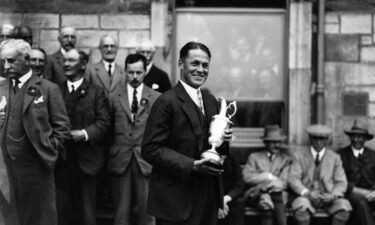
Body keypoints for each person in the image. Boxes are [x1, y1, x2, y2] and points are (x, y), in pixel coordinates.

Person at [142, 41, 233, 225]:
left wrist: (224, 141)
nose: (201, 70)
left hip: (207, 198)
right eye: (195, 64)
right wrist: (191, 165)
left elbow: (216, 150)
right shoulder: (166, 102)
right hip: (176, 201)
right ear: (181, 65)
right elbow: (150, 149)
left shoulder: (210, 100)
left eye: (205, 65)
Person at [0, 39, 70, 225]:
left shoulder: (48, 89)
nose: (6, 66)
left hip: (37, 168)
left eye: (11, 61)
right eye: (3, 61)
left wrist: (48, 148)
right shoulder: (0, 87)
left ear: (27, 59)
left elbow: (62, 129)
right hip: (5, 170)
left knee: (39, 218)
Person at [57, 48, 110, 225]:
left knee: (87, 214)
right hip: (62, 162)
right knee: (64, 211)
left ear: (83, 64)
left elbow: (104, 123)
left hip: (88, 161)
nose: (66, 64)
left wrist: (85, 134)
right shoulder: (56, 90)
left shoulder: (96, 92)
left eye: (71, 60)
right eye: (64, 61)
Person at [107, 53, 160, 225]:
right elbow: (107, 129)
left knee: (148, 214)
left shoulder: (156, 98)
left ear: (145, 72)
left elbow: (160, 133)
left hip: (145, 160)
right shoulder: (114, 96)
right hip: (120, 160)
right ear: (125, 72)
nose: (135, 77)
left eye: (139, 72)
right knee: (120, 215)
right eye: (131, 72)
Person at [289, 124, 352, 225]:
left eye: (322, 139)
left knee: (344, 206)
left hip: (329, 198)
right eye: (315, 139)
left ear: (327, 140)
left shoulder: (335, 158)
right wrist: (307, 193)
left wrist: (333, 195)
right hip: (307, 198)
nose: (318, 142)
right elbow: (294, 179)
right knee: (301, 207)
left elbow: (341, 182)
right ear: (310, 139)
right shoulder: (299, 156)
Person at [242, 125, 292, 225]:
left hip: (280, 195)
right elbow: (246, 177)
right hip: (256, 195)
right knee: (265, 199)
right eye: (273, 142)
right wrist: (268, 176)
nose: (277, 145)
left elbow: (284, 182)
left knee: (267, 200)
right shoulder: (255, 157)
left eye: (279, 142)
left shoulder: (286, 159)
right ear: (266, 143)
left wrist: (263, 184)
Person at [338, 119, 375, 225]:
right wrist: (358, 191)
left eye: (360, 137)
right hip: (351, 195)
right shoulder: (341, 155)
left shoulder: (373, 155)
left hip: (372, 193)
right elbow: (340, 180)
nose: (356, 140)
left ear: (365, 139)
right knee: (361, 203)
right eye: (353, 136)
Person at [218, 153, 244, 225]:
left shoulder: (233, 160)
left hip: (228, 199)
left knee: (238, 205)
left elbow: (239, 186)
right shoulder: (206, 159)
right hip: (210, 199)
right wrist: (218, 202)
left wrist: (225, 199)